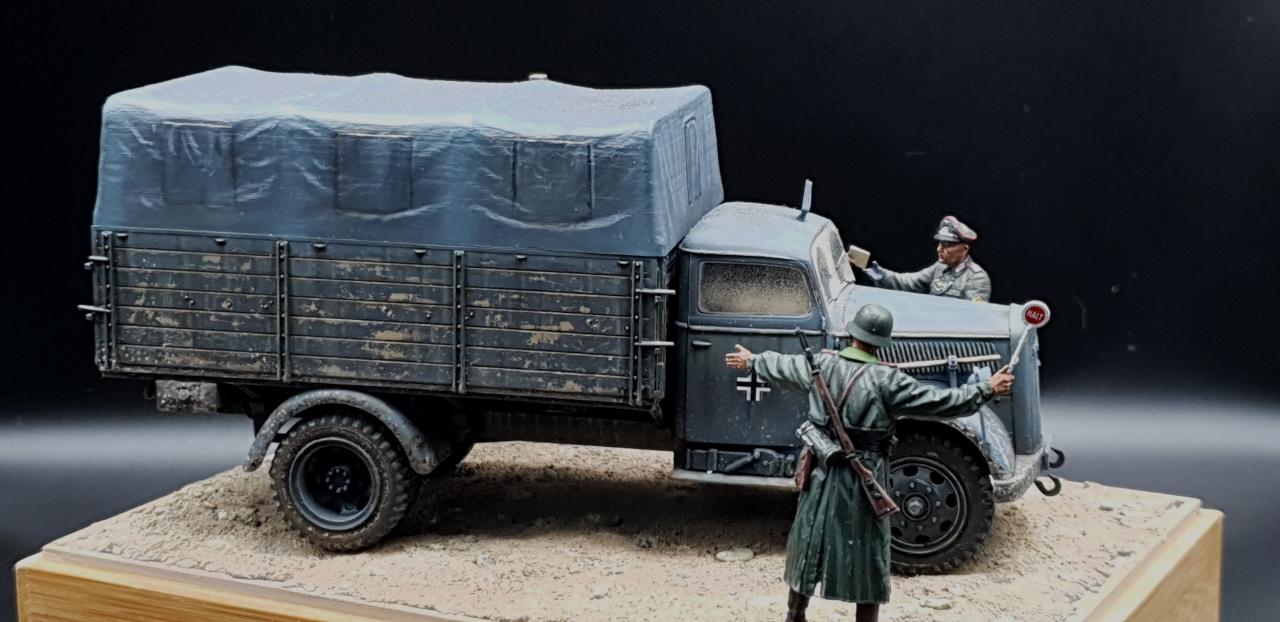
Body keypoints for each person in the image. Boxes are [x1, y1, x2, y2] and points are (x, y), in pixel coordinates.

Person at [724, 304, 1014, 622]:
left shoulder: (822, 363)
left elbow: (783, 366)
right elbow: (942, 402)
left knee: (809, 540)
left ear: (853, 334)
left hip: (821, 470)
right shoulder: (888, 381)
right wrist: (986, 388)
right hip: (864, 476)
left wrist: (753, 360)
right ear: (881, 342)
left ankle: (795, 614)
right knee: (868, 551)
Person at [862, 215, 991, 302]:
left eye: (946, 245)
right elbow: (911, 282)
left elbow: (973, 318)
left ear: (964, 249)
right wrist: (883, 276)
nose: (939, 249)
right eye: (939, 244)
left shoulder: (977, 278)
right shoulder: (939, 268)